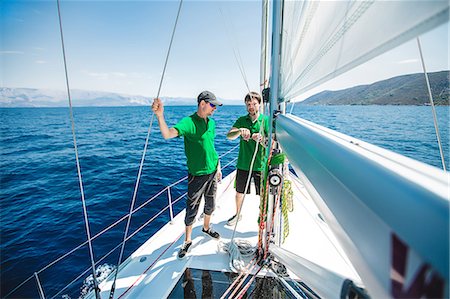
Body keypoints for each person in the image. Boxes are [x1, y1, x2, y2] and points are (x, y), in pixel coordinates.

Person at [152, 91, 223, 259]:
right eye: (212, 105)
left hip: (213, 171)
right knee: (192, 208)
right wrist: (160, 116)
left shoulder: (211, 123)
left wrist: (218, 166)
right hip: (197, 175)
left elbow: (211, 148)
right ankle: (187, 240)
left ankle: (206, 228)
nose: (214, 109)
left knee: (211, 203)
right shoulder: (189, 122)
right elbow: (167, 134)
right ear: (202, 103)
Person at [226, 91, 269, 226]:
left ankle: (262, 216)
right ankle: (238, 214)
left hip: (260, 165)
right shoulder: (241, 120)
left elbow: (271, 143)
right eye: (248, 104)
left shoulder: (265, 121)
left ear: (259, 105)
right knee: (239, 193)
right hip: (243, 164)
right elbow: (229, 136)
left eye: (254, 104)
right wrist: (240, 131)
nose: (251, 107)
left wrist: (262, 140)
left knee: (262, 195)